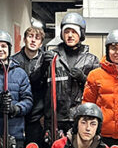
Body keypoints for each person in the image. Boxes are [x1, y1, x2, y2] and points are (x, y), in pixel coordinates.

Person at [30, 12, 100, 140]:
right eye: (66, 32)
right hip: (54, 118)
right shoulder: (50, 56)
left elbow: (98, 90)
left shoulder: (91, 60)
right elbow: (34, 84)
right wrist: (43, 67)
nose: (70, 35)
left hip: (80, 118)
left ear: (81, 34)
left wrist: (83, 79)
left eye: (74, 32)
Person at [12, 23, 47, 148]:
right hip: (16, 115)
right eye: (30, 37)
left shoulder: (46, 60)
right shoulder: (14, 60)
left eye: (37, 38)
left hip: (37, 116)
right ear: (24, 39)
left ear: (41, 42)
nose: (33, 41)